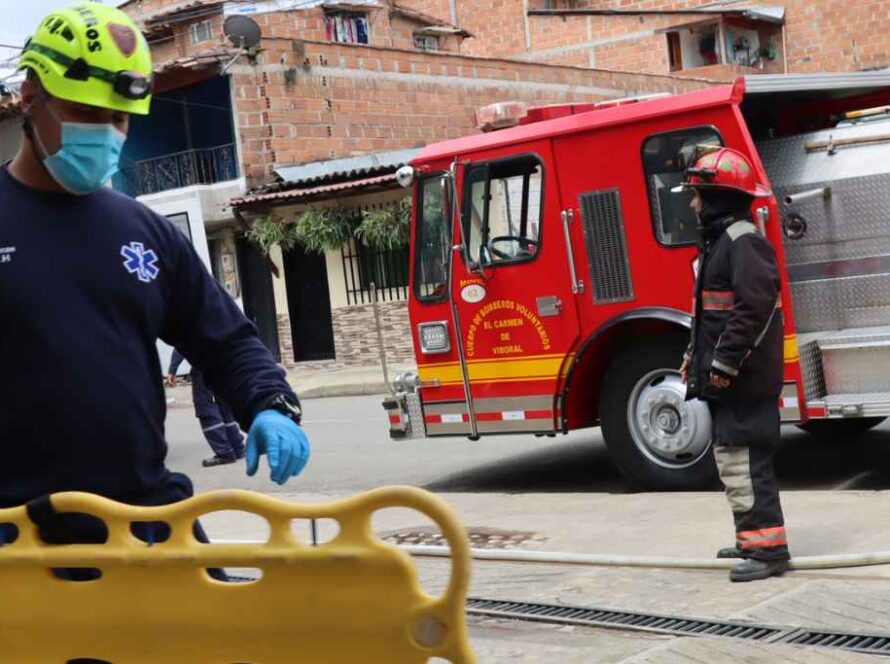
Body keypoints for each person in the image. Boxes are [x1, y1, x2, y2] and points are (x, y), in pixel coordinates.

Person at [0, 4, 309, 550]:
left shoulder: (142, 231)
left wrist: (268, 404)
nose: (107, 133)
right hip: (18, 545)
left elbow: (225, 339)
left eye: (119, 119)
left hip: (146, 526)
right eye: (87, 113)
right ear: (30, 96)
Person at [677, 147, 790, 583]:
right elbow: (711, 315)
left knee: (746, 460)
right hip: (730, 378)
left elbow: (755, 309)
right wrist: (695, 359)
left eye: (698, 195)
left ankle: (769, 550)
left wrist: (724, 363)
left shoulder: (743, 242)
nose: (692, 204)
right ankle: (751, 537)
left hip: (744, 380)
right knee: (732, 457)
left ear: (719, 196)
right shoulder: (722, 243)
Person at [167, 349, 245, 467]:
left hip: (203, 366)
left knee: (205, 408)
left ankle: (224, 452)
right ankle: (237, 448)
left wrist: (172, 369)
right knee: (224, 406)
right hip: (224, 364)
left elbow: (181, 343)